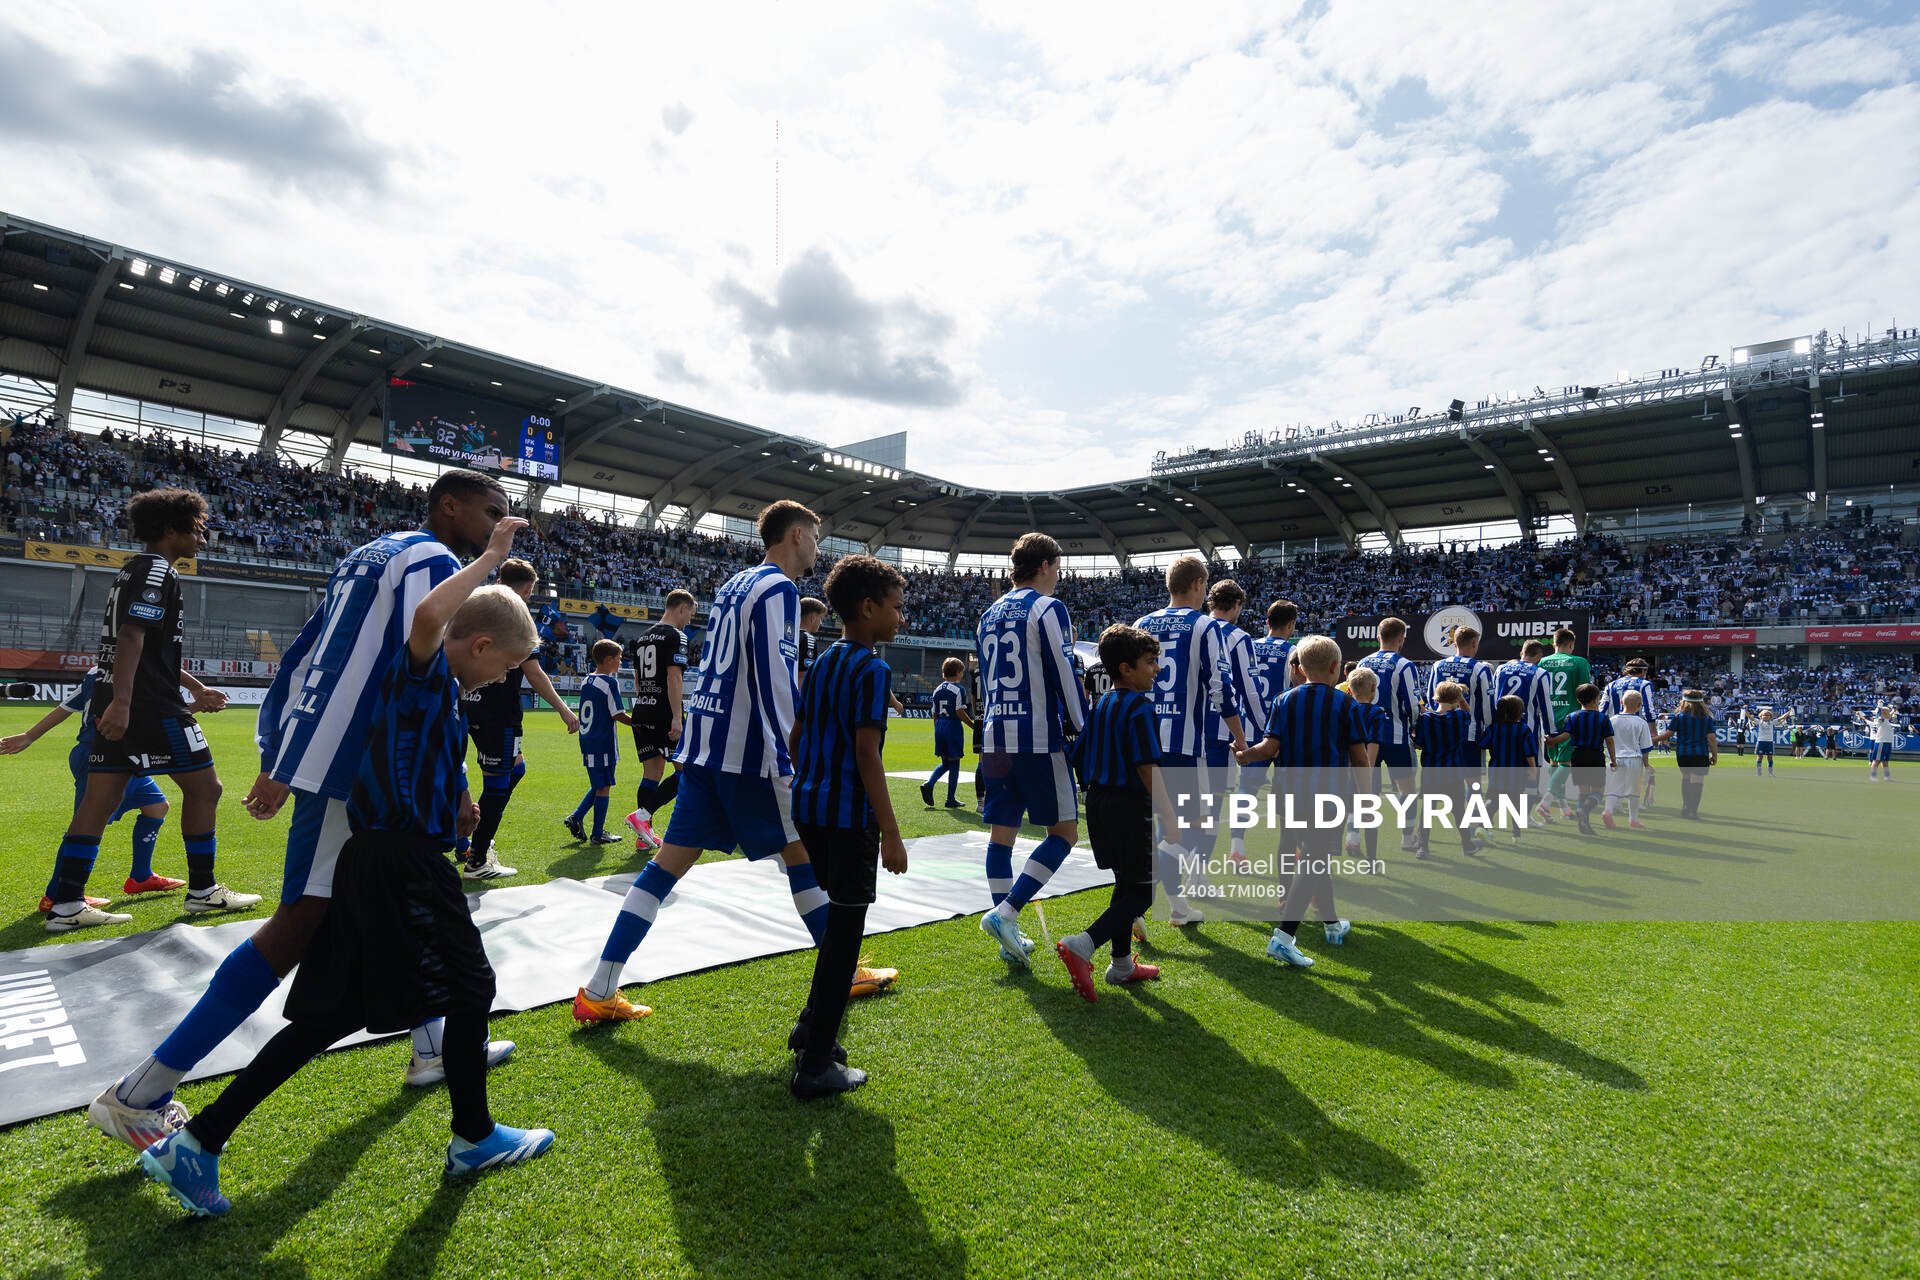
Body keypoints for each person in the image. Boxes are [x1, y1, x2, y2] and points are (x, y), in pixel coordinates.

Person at [137, 519, 553, 1217]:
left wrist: (455, 799)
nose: (503, 679)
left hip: (377, 858)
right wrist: (489, 559)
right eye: (505, 667)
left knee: (339, 1013)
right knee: (472, 985)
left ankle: (200, 1140)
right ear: (479, 644)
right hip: (403, 863)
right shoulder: (420, 671)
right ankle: (474, 1136)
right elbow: (427, 614)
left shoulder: (442, 693)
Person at [573, 500, 897, 1025]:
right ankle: (846, 968)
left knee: (666, 867)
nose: (818, 547)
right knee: (802, 857)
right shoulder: (779, 590)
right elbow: (775, 678)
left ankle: (600, 985)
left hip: (706, 748)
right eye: (814, 537)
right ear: (795, 535)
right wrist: (797, 749)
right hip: (750, 756)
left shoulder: (735, 583)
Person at [45, 489, 252, 933]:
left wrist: (194, 687)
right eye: (197, 529)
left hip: (124, 702)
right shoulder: (158, 573)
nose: (203, 537)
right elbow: (132, 637)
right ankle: (203, 890)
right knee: (207, 789)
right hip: (148, 707)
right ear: (171, 529)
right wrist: (123, 703)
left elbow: (150, 649)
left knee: (101, 800)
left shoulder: (133, 571)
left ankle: (65, 903)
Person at [787, 555, 909, 1098]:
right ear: (867, 607)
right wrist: (891, 830)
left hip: (810, 811)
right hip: (848, 818)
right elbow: (867, 754)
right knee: (844, 938)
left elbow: (797, 736)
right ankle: (815, 1064)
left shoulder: (823, 664)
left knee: (836, 931)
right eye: (896, 608)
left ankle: (812, 1028)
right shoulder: (872, 670)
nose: (901, 619)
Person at [974, 532, 1090, 966]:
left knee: (1001, 835)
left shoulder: (987, 614)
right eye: (1057, 568)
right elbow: (1064, 672)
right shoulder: (1047, 607)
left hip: (995, 736)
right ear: (1044, 566)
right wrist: (1084, 728)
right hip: (1037, 737)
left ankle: (1008, 932)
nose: (1058, 577)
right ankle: (1006, 913)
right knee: (1064, 833)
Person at [1233, 635, 1367, 967]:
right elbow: (1360, 759)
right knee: (1314, 859)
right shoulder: (1345, 703)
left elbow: (1269, 748)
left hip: (1288, 792)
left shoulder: (1284, 699)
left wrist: (1244, 755)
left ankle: (1332, 924)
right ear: (1337, 668)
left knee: (1312, 856)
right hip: (1328, 796)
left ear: (1301, 668)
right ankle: (1283, 937)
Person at [1056, 623, 1171, 1002]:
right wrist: (1171, 817)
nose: (1156, 669)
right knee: (1142, 893)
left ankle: (1121, 965)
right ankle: (1083, 945)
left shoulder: (1103, 702)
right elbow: (1147, 767)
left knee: (1125, 883)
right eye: (1150, 662)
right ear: (1125, 668)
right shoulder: (1140, 707)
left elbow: (1080, 753)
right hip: (1128, 804)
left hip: (1099, 801)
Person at [3, 667, 179, 913]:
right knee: (84, 826)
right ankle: (54, 895)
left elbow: (66, 706)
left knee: (157, 807)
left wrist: (31, 735)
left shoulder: (97, 672)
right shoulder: (127, 673)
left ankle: (141, 876)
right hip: (101, 757)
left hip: (121, 756)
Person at [1130, 555, 1243, 925]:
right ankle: (1136, 902)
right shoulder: (1206, 627)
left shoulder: (1142, 624)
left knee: (1163, 826)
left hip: (1143, 741)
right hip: (1183, 746)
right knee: (1194, 827)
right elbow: (1219, 687)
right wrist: (1239, 737)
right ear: (1198, 585)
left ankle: (1176, 907)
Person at [453, 557, 580, 881]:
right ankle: (477, 859)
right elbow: (534, 673)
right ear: (525, 587)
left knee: (515, 769)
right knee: (497, 783)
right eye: (529, 592)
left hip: (470, 706)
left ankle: (468, 836)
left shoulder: (476, 605)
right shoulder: (512, 617)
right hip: (499, 714)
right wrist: (564, 709)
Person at [622, 589, 696, 849]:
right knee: (686, 772)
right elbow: (673, 677)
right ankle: (641, 817)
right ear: (681, 608)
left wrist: (645, 702)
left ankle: (643, 837)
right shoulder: (676, 635)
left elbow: (638, 680)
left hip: (643, 708)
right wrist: (677, 717)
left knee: (651, 773)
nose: (689, 620)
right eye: (690, 613)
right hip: (664, 711)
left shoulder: (643, 637)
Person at [1229, 599, 1297, 862]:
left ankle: (1237, 845)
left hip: (1251, 730)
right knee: (1289, 792)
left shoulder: (1249, 646)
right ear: (1291, 624)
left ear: (1267, 622)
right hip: (1283, 730)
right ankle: (1293, 848)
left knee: (1246, 789)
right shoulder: (1293, 652)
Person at [1206, 582, 1264, 869]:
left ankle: (1170, 885)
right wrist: (1266, 733)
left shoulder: (1194, 627)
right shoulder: (1239, 638)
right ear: (1237, 605)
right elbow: (1250, 691)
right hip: (1219, 732)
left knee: (1175, 810)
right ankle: (1197, 875)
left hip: (1179, 731)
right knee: (1211, 808)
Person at [1359, 617, 1423, 852]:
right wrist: (1416, 727)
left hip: (1367, 738)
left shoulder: (1363, 663)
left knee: (1365, 789)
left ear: (1378, 637)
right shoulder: (1404, 665)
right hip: (1396, 736)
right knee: (1407, 789)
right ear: (1400, 639)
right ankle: (1407, 839)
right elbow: (1413, 705)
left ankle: (1354, 837)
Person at [562, 640, 632, 845]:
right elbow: (618, 713)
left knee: (599, 784)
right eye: (619, 658)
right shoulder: (610, 682)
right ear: (609, 660)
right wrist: (640, 725)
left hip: (588, 739)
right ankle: (597, 833)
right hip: (603, 741)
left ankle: (576, 817)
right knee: (604, 786)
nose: (620, 662)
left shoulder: (587, 680)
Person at [1411, 682, 1481, 858]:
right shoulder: (1459, 717)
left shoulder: (1425, 719)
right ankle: (1467, 845)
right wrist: (1461, 698)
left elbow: (1418, 743)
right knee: (1459, 810)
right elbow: (1468, 712)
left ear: (1436, 697)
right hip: (1453, 772)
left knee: (1427, 811)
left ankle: (1423, 847)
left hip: (1431, 773)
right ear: (1457, 699)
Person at [1495, 639, 1558, 823]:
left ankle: (1492, 813)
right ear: (1538, 656)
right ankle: (1524, 816)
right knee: (1532, 771)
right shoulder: (1539, 673)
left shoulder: (1501, 669)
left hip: (1501, 731)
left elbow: (1494, 698)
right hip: (1527, 731)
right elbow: (1546, 706)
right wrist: (1551, 733)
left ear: (1522, 652)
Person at [1538, 627, 1593, 818]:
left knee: (1554, 763)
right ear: (1571, 644)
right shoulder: (1579, 662)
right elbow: (1585, 693)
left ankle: (1563, 808)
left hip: (1548, 717)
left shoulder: (1542, 662)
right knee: (1567, 762)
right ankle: (1546, 801)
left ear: (1554, 643)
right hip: (1571, 716)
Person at [1481, 695, 1544, 844]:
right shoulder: (1523, 729)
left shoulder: (1494, 728)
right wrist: (1533, 770)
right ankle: (1517, 835)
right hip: (1517, 772)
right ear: (1518, 711)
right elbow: (1529, 752)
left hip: (1497, 770)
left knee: (1494, 799)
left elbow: (1483, 743)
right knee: (1516, 801)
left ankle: (1481, 827)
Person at [1342, 665, 1387, 858]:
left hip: (1344, 768)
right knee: (1369, 813)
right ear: (1374, 689)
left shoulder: (1345, 708)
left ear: (1349, 690)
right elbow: (1373, 744)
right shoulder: (1376, 713)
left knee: (1341, 808)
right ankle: (1371, 859)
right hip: (1367, 769)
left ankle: (1342, 844)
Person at [1603, 658, 1660, 807]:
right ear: (1643, 671)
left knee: (1615, 764)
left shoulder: (1611, 685)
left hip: (1614, 727)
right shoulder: (1644, 684)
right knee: (1636, 764)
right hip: (1635, 727)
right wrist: (1653, 732)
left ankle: (1614, 800)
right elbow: (1649, 709)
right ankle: (1630, 799)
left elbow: (1602, 709)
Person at [1562, 684, 1617, 836]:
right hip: (1595, 756)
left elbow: (1566, 735)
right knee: (1599, 791)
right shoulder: (1602, 718)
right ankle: (1583, 810)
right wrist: (1613, 759)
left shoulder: (1572, 716)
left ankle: (1585, 824)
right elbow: (1610, 740)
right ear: (1595, 699)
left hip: (1578, 756)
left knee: (1583, 792)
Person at [920, 657, 973, 808]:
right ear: (957, 672)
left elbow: (934, 713)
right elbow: (959, 712)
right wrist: (973, 726)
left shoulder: (937, 690)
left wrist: (937, 729)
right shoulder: (959, 690)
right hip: (952, 726)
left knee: (945, 762)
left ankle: (929, 784)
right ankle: (950, 799)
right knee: (955, 763)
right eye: (962, 671)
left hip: (940, 725)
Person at [1602, 690, 1659, 829]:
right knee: (1634, 791)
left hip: (1615, 758)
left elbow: (1605, 742)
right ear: (1640, 705)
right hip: (1634, 759)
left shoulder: (1612, 720)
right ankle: (1633, 819)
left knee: (1614, 788)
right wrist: (1647, 765)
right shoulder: (1641, 723)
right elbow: (1645, 748)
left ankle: (1608, 810)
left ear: (1622, 702)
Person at [1669, 690, 1719, 817]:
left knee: (1686, 779)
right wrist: (1714, 754)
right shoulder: (1706, 718)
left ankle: (1685, 806)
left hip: (1682, 753)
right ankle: (1693, 810)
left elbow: (1670, 733)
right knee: (1697, 782)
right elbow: (1711, 738)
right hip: (1700, 753)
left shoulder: (1678, 716)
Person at [1860, 704, 1899, 780]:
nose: (1889, 712)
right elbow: (1880, 717)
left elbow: (1888, 716)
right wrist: (1880, 706)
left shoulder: (1886, 720)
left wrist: (1893, 710)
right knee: (1877, 760)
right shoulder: (1880, 719)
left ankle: (1887, 776)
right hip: (1881, 742)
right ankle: (1872, 776)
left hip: (1888, 742)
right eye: (1887, 711)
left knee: (1885, 761)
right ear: (1883, 712)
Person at [795, 596, 827, 687]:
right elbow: (802, 676)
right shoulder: (808, 639)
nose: (821, 623)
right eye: (820, 618)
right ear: (813, 617)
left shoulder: (789, 635)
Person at [1752, 708, 1786, 776]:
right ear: (1761, 716)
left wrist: (1790, 711)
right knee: (1759, 757)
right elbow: (1750, 717)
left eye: (1768, 715)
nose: (1766, 716)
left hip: (1769, 742)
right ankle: (1759, 772)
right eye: (1764, 715)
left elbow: (1782, 717)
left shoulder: (1772, 722)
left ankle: (1770, 773)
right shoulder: (1759, 722)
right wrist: (1744, 710)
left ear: (1770, 716)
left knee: (1770, 757)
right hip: (1761, 741)